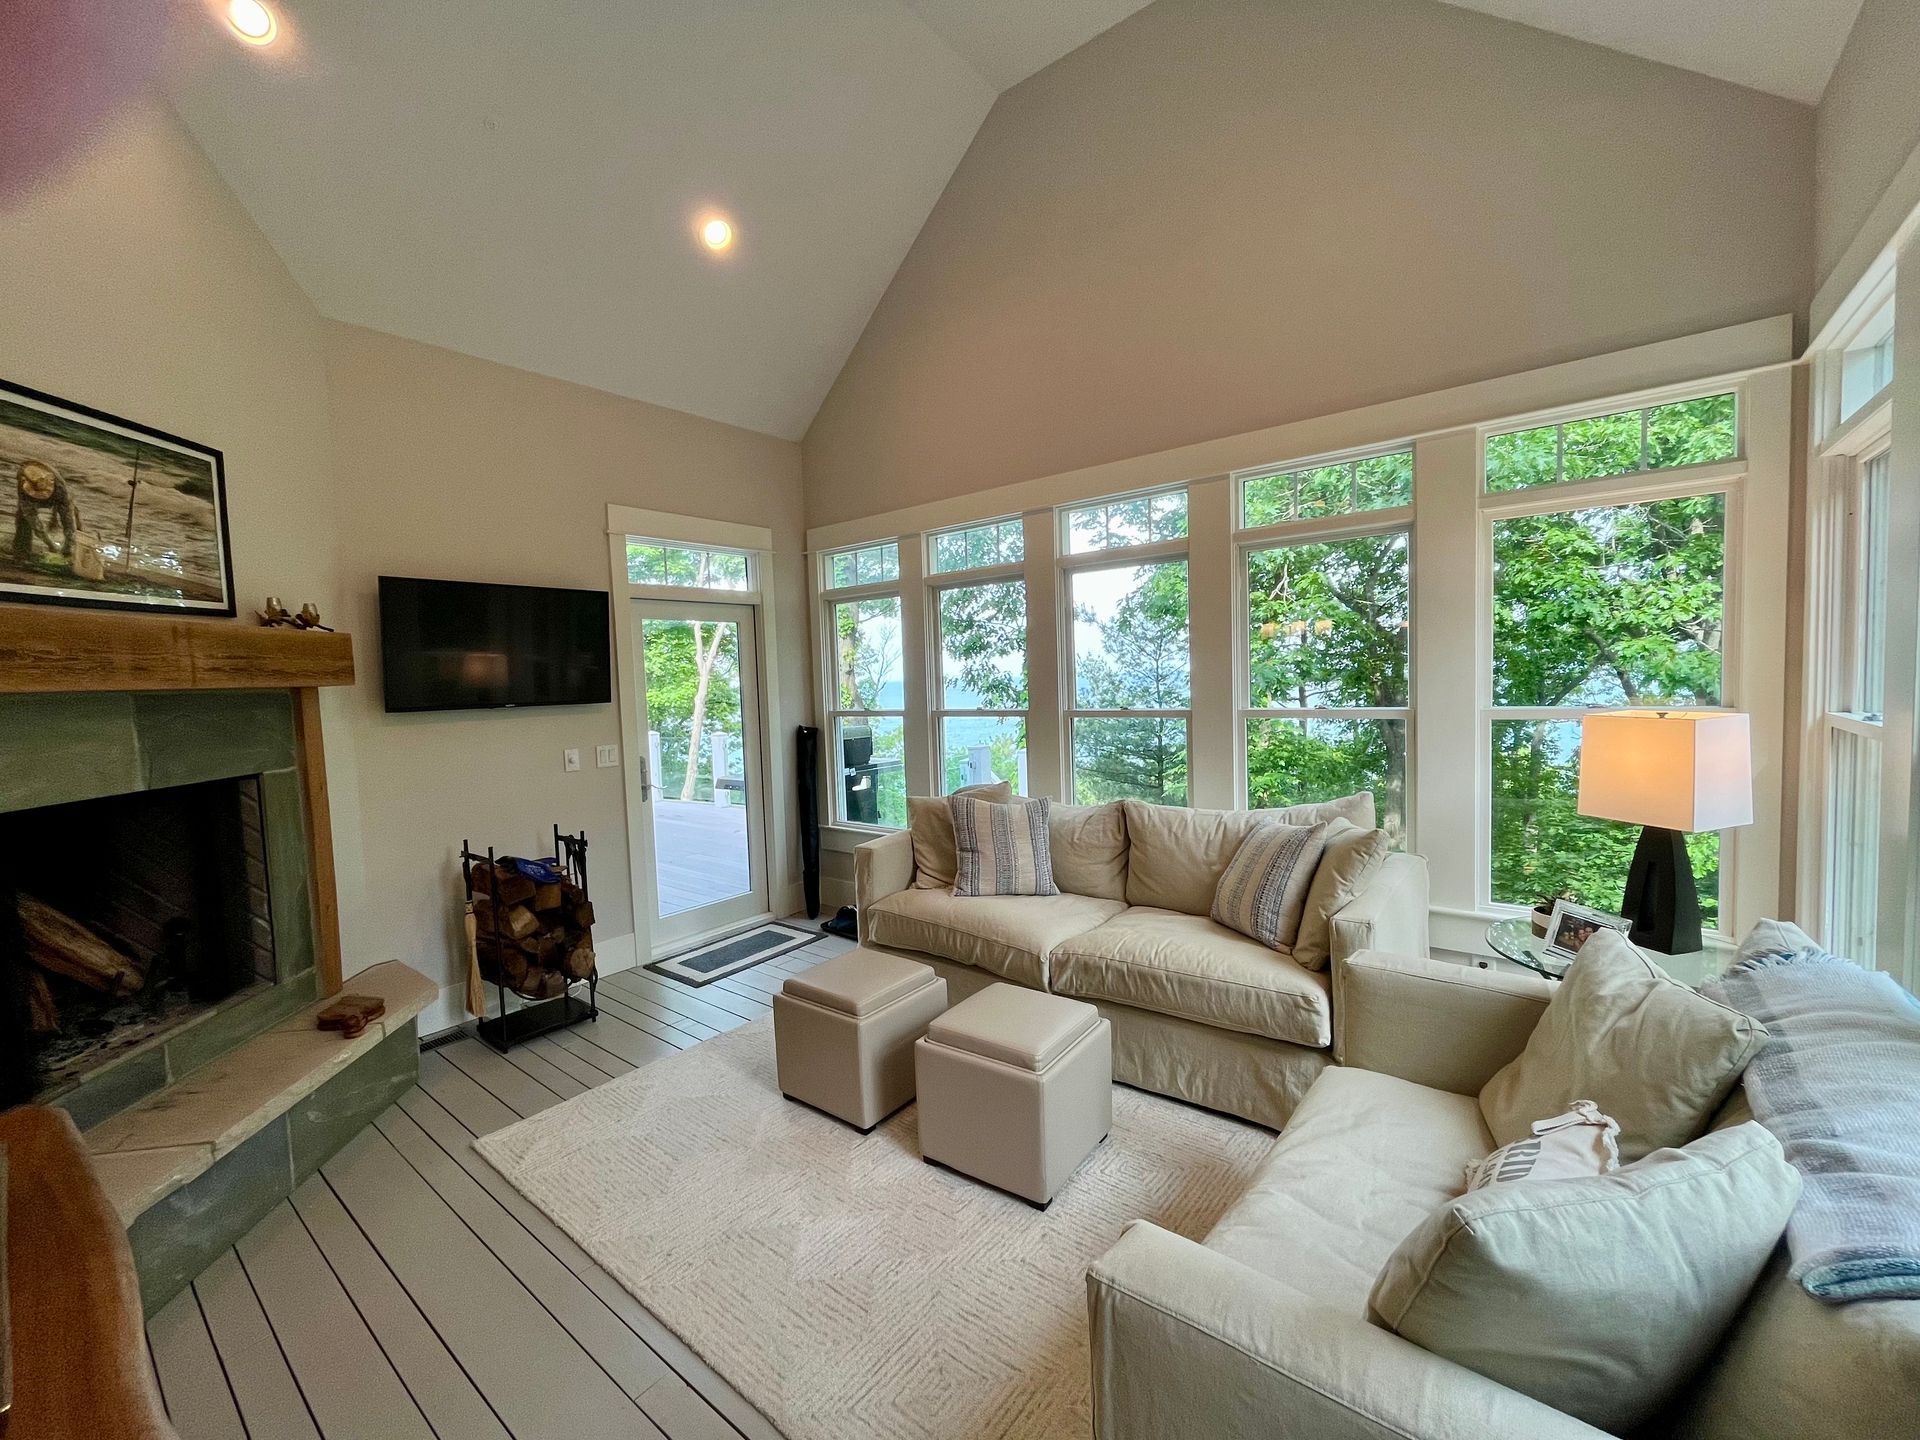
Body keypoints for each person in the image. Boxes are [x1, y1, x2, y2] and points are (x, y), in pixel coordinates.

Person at [12, 458, 79, 562]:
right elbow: (33, 520)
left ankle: (70, 551)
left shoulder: (59, 487)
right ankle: (21, 553)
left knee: (69, 520)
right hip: (28, 497)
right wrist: (50, 544)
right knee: (23, 519)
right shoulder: (24, 487)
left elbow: (68, 520)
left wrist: (68, 545)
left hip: (59, 494)